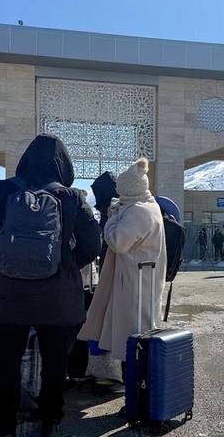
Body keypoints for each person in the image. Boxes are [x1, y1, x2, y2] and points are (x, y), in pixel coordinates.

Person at [0, 134, 102, 437]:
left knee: (6, 364)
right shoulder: (72, 197)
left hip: (9, 296)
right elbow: (93, 244)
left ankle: (4, 425)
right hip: (58, 299)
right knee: (56, 364)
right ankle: (50, 418)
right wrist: (65, 265)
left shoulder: (1, 192)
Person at [79, 157, 167, 374]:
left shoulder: (138, 211)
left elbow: (118, 241)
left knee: (133, 338)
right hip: (138, 279)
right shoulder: (146, 206)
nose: (118, 194)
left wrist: (111, 219)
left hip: (134, 284)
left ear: (129, 189)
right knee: (135, 336)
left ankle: (136, 396)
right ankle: (136, 391)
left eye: (120, 189)